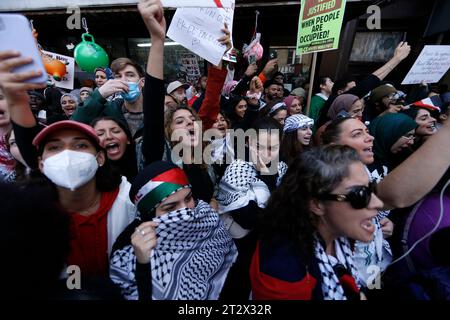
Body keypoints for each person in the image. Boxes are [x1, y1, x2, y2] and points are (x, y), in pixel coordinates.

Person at [251, 145, 383, 300]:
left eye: (371, 189)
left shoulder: (338, 229)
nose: (378, 204)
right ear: (317, 205)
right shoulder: (285, 271)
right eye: (359, 194)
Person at [110, 159, 237, 300]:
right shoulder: (127, 254)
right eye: (170, 208)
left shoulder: (205, 215)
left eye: (188, 199)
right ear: (149, 214)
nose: (186, 212)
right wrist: (143, 265)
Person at [217, 118, 288, 300]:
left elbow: (289, 210)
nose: (266, 153)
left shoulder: (282, 169)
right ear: (248, 142)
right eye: (260, 146)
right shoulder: (237, 169)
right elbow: (249, 218)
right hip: (240, 256)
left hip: (272, 253)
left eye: (272, 148)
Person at [72, 58, 146, 139]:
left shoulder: (157, 111)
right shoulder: (109, 110)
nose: (123, 80)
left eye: (130, 75)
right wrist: (99, 95)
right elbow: (74, 127)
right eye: (118, 76)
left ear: (142, 82)